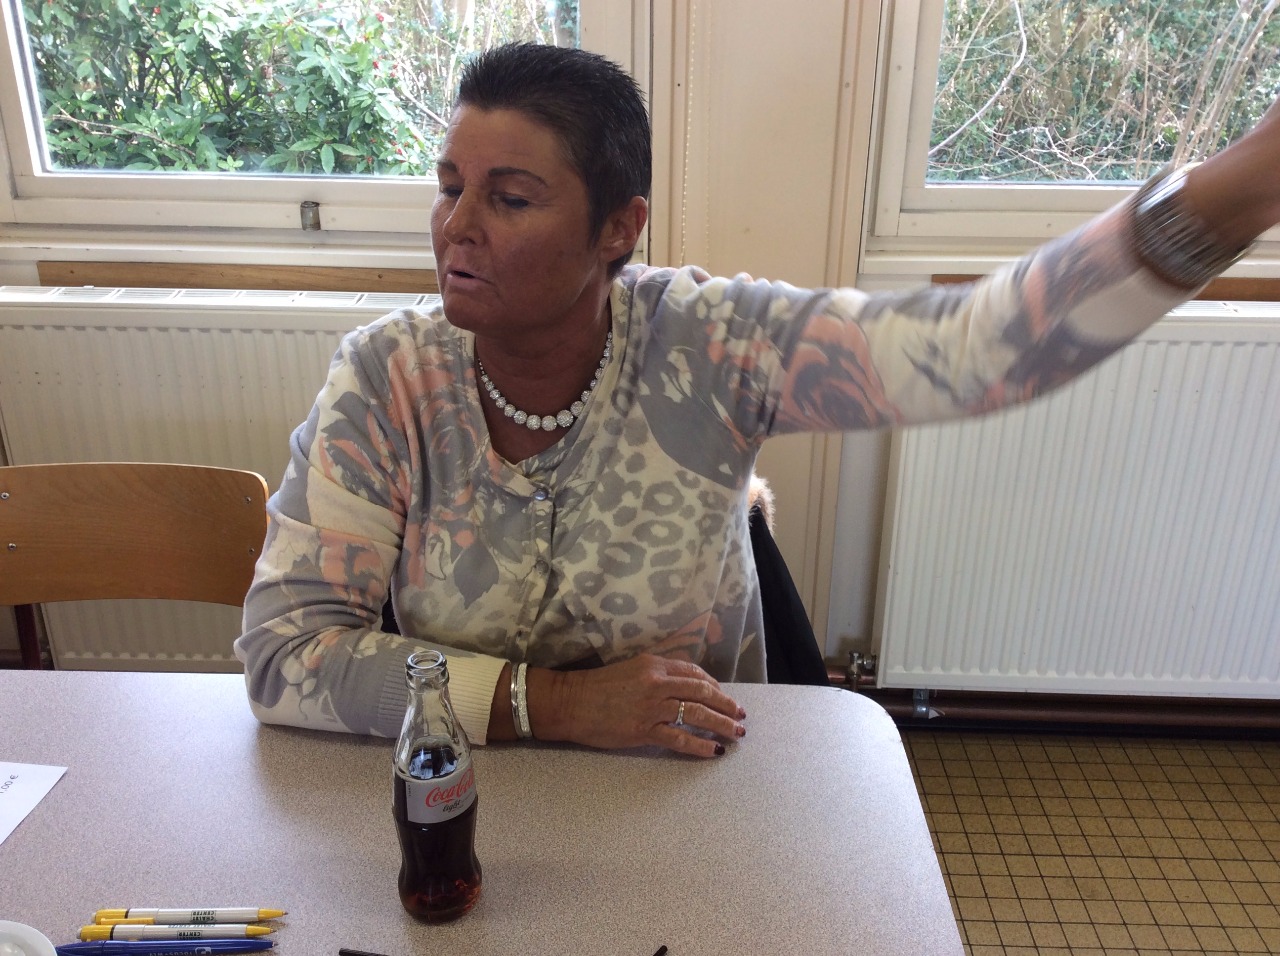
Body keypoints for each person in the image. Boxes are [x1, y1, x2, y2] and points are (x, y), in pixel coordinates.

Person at [236, 42, 1280, 759]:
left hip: (691, 785)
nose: (456, 225)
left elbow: (975, 352)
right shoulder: (386, 379)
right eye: (448, 185)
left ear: (618, 228)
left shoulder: (710, 345)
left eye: (508, 197)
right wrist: (555, 703)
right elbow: (287, 658)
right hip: (456, 791)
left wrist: (1242, 184)